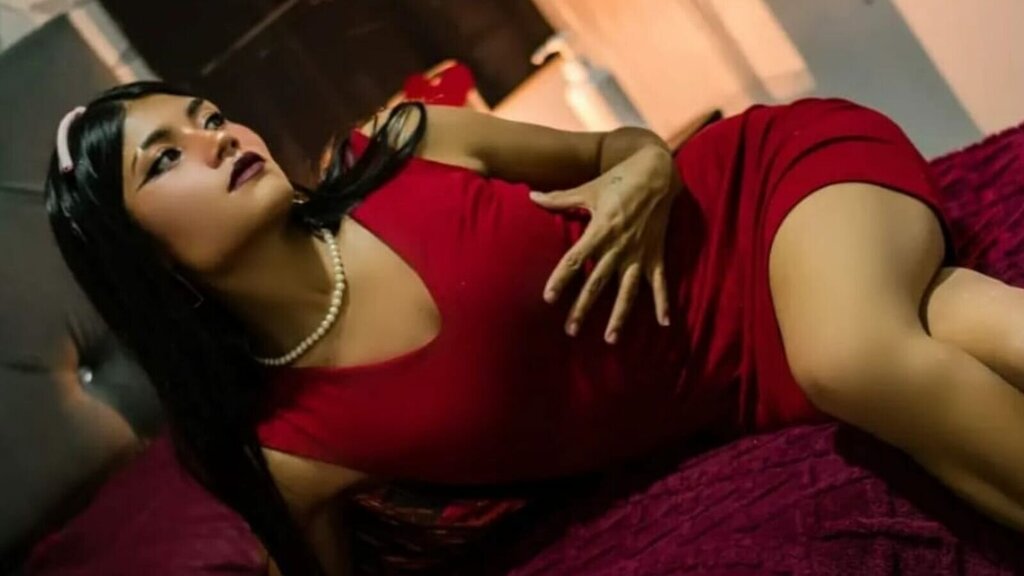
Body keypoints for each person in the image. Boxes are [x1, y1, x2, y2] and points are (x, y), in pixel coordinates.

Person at [45, 81, 1024, 575]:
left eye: (206, 114)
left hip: (764, 195)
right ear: (145, 263)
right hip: (745, 376)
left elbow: (627, 148)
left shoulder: (405, 143)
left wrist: (644, 172)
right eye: (163, 158)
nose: (214, 137)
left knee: (853, 355)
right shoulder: (297, 448)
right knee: (958, 327)